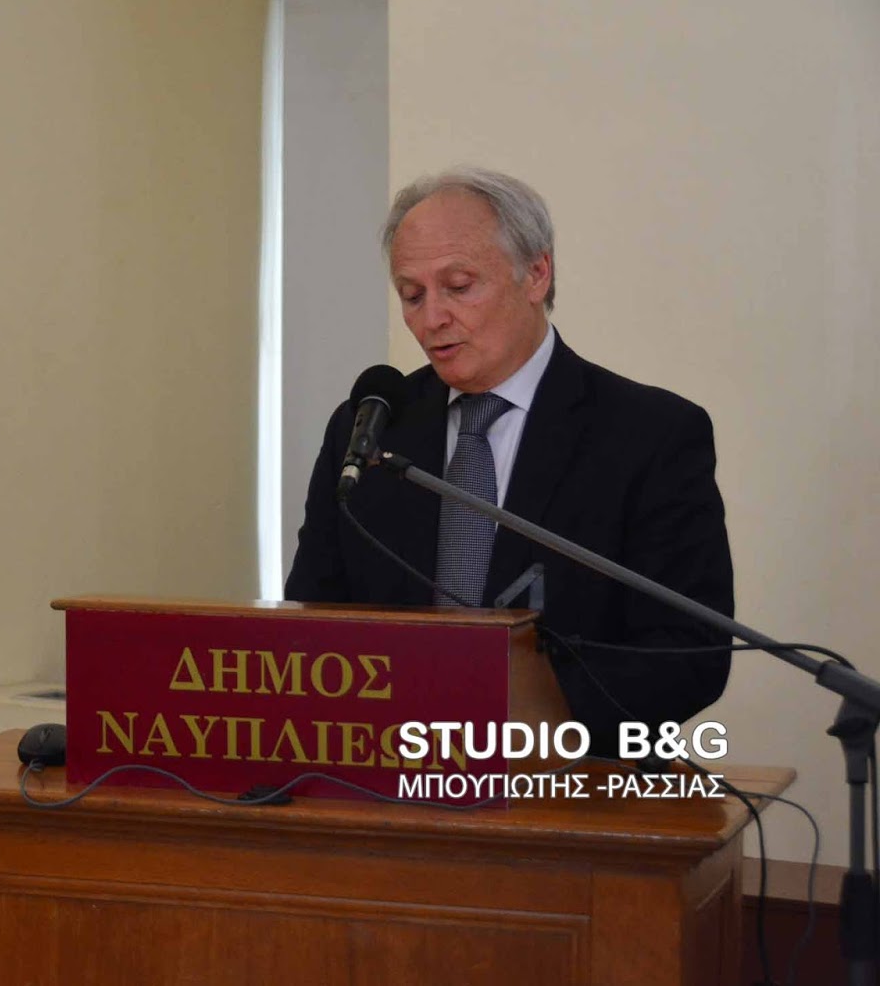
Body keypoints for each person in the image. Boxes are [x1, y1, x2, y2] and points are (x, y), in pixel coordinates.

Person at [285, 168, 732, 747]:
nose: (432, 318)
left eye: (459, 286)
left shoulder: (651, 434)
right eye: (412, 295)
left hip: (572, 777)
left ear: (536, 274)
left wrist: (520, 723)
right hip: (390, 769)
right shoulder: (369, 429)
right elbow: (313, 625)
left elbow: (689, 653)